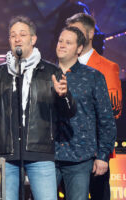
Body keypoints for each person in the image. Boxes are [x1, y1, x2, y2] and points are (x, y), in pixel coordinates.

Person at [0, 15, 76, 200]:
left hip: (40, 152)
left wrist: (64, 96)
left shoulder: (51, 72)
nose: (17, 39)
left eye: (22, 34)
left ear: (33, 39)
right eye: (13, 35)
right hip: (6, 153)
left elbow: (68, 112)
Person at [55, 26, 116, 200]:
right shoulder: (45, 74)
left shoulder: (93, 77)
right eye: (60, 41)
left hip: (80, 157)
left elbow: (106, 118)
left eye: (68, 42)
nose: (62, 45)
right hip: (47, 156)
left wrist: (103, 155)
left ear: (79, 49)